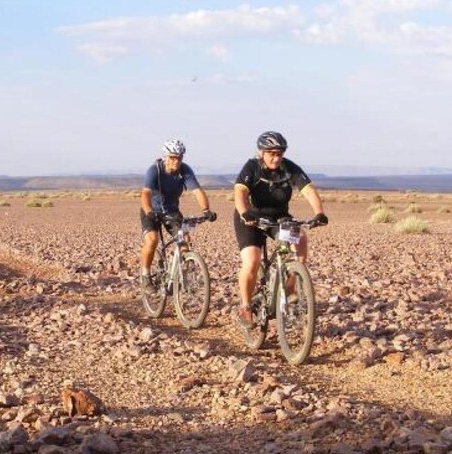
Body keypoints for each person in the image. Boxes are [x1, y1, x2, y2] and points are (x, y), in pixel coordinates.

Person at [233, 131, 328, 325]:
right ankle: (245, 306)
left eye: (279, 154)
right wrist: (245, 213)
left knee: (300, 238)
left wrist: (319, 213)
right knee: (252, 261)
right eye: (271, 154)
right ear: (262, 153)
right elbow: (240, 192)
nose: (276, 158)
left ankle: (291, 283)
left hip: (278, 216)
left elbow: (308, 190)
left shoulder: (289, 168)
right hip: (251, 217)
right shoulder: (252, 167)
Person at [139, 139, 216, 290]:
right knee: (152, 240)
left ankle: (179, 278)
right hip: (151, 210)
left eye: (179, 158)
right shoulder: (155, 170)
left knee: (184, 240)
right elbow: (145, 193)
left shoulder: (185, 170)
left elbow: (197, 191)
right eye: (173, 157)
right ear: (166, 156)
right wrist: (148, 211)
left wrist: (206, 210)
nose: (176, 161)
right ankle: (145, 276)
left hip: (171, 211)